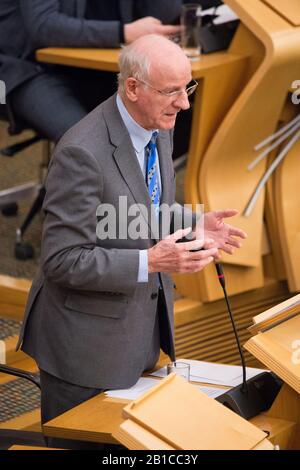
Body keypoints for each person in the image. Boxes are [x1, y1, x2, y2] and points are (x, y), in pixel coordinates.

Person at [17, 34, 246, 446]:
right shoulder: (81, 153)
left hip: (139, 337)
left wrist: (192, 222)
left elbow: (139, 204)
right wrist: (152, 262)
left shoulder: (157, 126)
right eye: (172, 91)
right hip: (84, 350)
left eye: (188, 87)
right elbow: (63, 260)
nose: (185, 103)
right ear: (133, 88)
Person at [0, 0, 182, 142]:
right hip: (29, 69)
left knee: (178, 123)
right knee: (92, 142)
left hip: (99, 69)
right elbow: (44, 26)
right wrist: (123, 32)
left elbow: (164, 16)